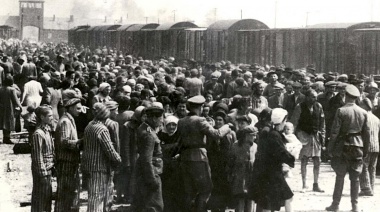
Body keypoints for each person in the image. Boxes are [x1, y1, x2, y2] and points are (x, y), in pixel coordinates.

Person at [177, 95, 231, 212]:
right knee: (205, 189)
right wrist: (227, 127)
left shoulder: (181, 121)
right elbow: (217, 134)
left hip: (185, 157)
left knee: (189, 191)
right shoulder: (200, 120)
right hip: (199, 157)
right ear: (201, 107)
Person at [326, 84, 370, 212]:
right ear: (356, 98)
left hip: (343, 146)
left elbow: (334, 132)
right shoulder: (363, 112)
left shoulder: (341, 110)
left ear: (346, 96)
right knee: (355, 178)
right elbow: (366, 134)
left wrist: (330, 148)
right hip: (358, 147)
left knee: (340, 176)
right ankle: (354, 206)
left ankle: (335, 204)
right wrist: (365, 150)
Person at [249, 108, 295, 212]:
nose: (285, 123)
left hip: (266, 172)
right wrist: (291, 157)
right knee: (273, 201)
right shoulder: (274, 135)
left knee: (270, 201)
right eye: (285, 120)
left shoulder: (271, 132)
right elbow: (280, 152)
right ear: (281, 120)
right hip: (271, 173)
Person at [82, 103, 122, 212]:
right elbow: (109, 149)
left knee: (93, 197)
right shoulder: (102, 129)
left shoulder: (89, 125)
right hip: (100, 168)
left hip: (89, 166)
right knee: (97, 199)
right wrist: (118, 159)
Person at [290, 89, 325, 192]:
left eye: (315, 97)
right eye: (312, 97)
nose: (315, 99)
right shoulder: (299, 107)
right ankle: (304, 184)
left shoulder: (318, 106)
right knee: (304, 160)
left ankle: (316, 184)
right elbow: (294, 123)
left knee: (317, 160)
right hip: (304, 136)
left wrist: (322, 135)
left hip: (315, 136)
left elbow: (322, 123)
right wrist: (294, 137)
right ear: (307, 97)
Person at [132, 102, 165, 212]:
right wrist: (152, 180)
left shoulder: (144, 128)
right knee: (154, 206)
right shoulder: (149, 135)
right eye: (161, 118)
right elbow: (146, 160)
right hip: (150, 173)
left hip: (143, 172)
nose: (162, 121)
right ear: (154, 118)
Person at [54, 98, 83, 212]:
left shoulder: (70, 119)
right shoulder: (65, 121)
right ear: (70, 108)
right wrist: (80, 142)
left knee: (69, 192)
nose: (80, 111)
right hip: (66, 161)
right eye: (78, 108)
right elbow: (64, 141)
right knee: (65, 192)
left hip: (70, 161)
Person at [228, 126, 258, 212]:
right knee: (240, 199)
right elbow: (230, 161)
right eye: (253, 135)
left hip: (250, 176)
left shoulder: (255, 146)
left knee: (250, 199)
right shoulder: (236, 145)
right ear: (247, 135)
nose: (255, 137)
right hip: (239, 176)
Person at [31, 105, 55, 212]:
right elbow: (37, 156)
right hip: (42, 172)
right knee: (40, 199)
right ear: (42, 117)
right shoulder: (38, 134)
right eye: (49, 116)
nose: (52, 118)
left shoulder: (47, 131)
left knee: (47, 199)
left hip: (48, 169)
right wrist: (43, 173)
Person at [158, 115, 183, 212]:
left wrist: (180, 155)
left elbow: (184, 149)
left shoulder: (180, 136)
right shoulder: (160, 135)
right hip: (165, 167)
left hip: (177, 167)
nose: (171, 127)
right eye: (169, 125)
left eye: (174, 125)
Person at [359, 98, 379, 196]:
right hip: (376, 146)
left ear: (365, 106)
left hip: (366, 145)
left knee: (364, 167)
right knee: (372, 168)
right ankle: (372, 187)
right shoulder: (376, 119)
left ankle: (366, 188)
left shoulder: (363, 117)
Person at [0, 75, 22, 144]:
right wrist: (20, 107)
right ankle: (6, 138)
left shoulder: (1, 88)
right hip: (9, 108)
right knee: (8, 122)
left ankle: (4, 137)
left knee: (2, 122)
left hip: (1, 107)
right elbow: (16, 99)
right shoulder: (12, 89)